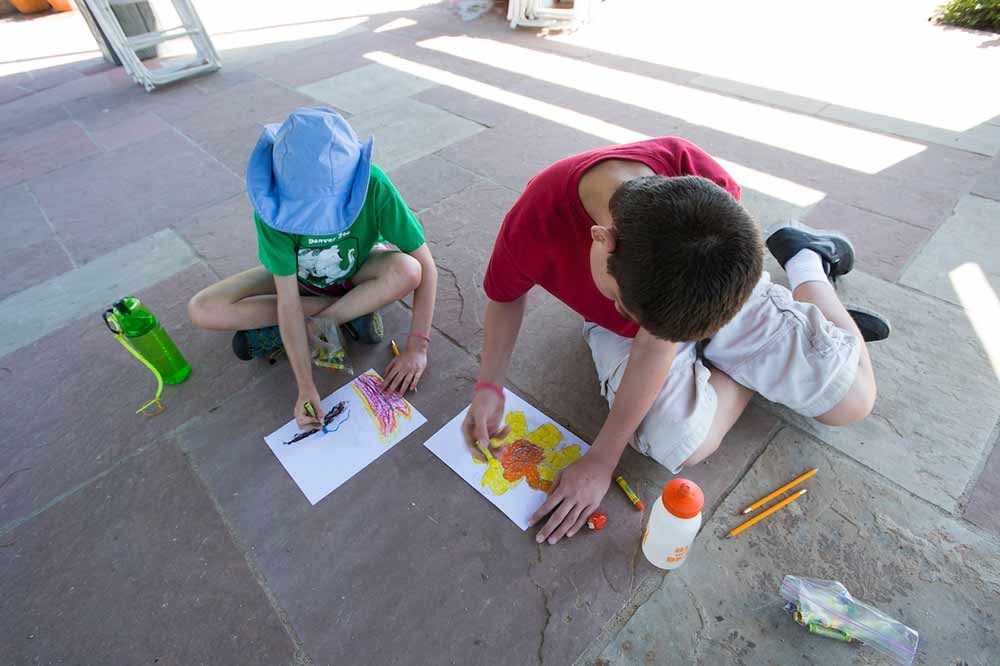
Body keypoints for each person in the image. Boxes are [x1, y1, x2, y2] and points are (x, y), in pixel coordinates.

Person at [462, 137, 889, 545]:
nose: (624, 310)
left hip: (711, 297)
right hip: (665, 318)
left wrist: (603, 459)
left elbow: (668, 330)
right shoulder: (536, 221)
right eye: (622, 303)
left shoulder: (699, 181)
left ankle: (804, 260)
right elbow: (505, 297)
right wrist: (489, 386)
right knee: (676, 444)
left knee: (853, 401)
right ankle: (736, 363)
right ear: (600, 240)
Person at [189, 108, 438, 429]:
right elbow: (287, 300)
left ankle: (327, 321)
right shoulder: (271, 208)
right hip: (298, 281)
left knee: (408, 269)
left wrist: (418, 348)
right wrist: (305, 387)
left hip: (358, 270)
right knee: (203, 309)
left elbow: (427, 267)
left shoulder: (375, 186)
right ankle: (350, 313)